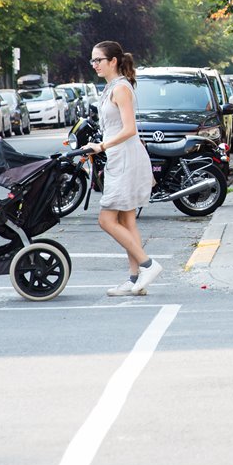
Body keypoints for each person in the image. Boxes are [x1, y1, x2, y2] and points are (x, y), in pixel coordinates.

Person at [84, 41, 162, 297]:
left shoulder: (121, 89)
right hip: (119, 157)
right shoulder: (111, 88)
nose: (94, 64)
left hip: (127, 158)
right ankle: (134, 279)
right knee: (127, 221)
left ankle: (148, 265)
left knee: (107, 220)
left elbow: (130, 129)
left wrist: (102, 145)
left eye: (98, 60)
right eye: (92, 61)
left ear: (113, 61)